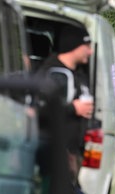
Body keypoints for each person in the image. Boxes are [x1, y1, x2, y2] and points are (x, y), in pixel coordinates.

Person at [36, 25, 95, 180]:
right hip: (53, 152)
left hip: (71, 153)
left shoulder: (78, 75)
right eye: (87, 46)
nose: (90, 51)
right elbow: (38, 110)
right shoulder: (52, 74)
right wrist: (72, 108)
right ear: (74, 45)